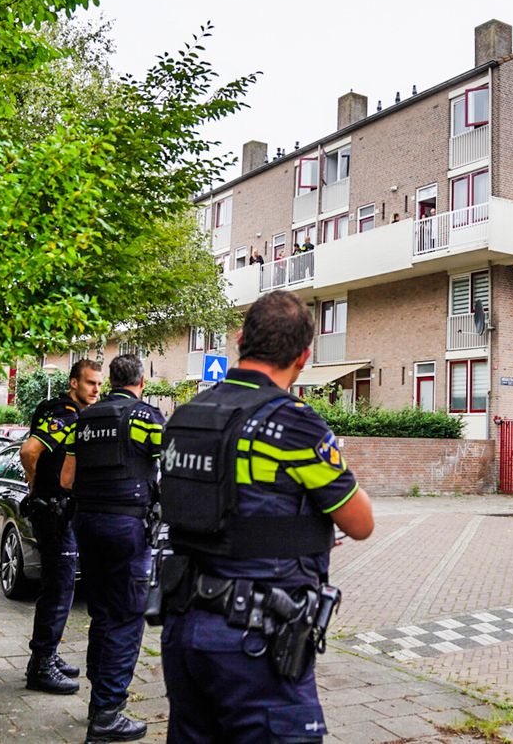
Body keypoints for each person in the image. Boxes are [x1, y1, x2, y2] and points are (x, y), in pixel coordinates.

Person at [159, 290, 375, 742]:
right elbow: (360, 523)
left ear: (240, 339)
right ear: (303, 357)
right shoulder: (294, 424)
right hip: (256, 640)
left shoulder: (186, 417)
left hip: (184, 629)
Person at [61, 354, 165, 743]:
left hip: (86, 523)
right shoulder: (146, 417)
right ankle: (107, 714)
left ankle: (97, 702)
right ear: (141, 380)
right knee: (126, 616)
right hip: (127, 527)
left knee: (102, 612)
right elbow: (169, 468)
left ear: (111, 381)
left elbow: (68, 479)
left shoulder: (83, 419)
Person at [19, 359, 103, 694]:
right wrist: (36, 484)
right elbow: (29, 450)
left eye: (99, 384)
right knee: (60, 587)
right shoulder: (65, 415)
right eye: (89, 383)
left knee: (57, 584)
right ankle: (41, 665)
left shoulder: (61, 410)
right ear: (73, 384)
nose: (95, 389)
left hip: (55, 509)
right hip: (53, 511)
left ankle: (47, 654)